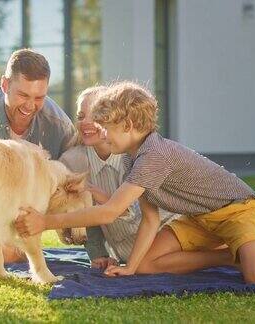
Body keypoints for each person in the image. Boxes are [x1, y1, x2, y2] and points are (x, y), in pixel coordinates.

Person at [14, 81, 255, 283]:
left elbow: (110, 211)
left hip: (238, 211)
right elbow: (150, 218)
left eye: (107, 127)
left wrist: (46, 221)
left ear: (130, 124)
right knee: (149, 265)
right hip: (197, 220)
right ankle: (229, 255)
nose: (103, 134)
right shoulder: (131, 156)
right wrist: (131, 267)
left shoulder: (154, 155)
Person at [59, 85, 177, 269]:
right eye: (81, 116)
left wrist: (91, 190)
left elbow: (131, 212)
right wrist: (97, 253)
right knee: (142, 267)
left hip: (164, 232)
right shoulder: (72, 160)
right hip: (125, 251)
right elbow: (84, 212)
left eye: (95, 116)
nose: (86, 122)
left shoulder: (134, 156)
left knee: (146, 267)